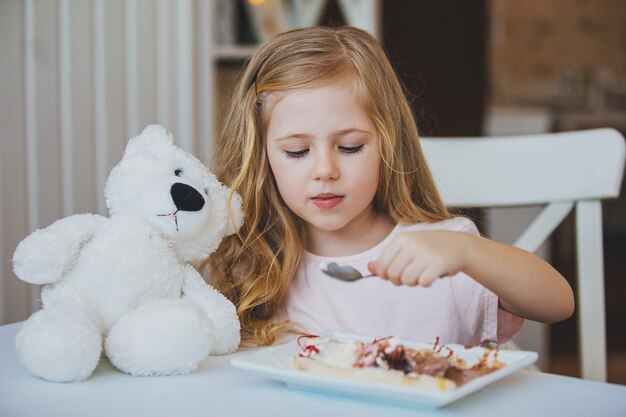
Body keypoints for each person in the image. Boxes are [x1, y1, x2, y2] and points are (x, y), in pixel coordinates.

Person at [207, 26, 574, 347]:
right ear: (262, 156)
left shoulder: (444, 252)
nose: (324, 170)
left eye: (350, 147)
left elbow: (558, 304)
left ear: (388, 143)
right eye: (297, 151)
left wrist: (468, 252)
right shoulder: (256, 263)